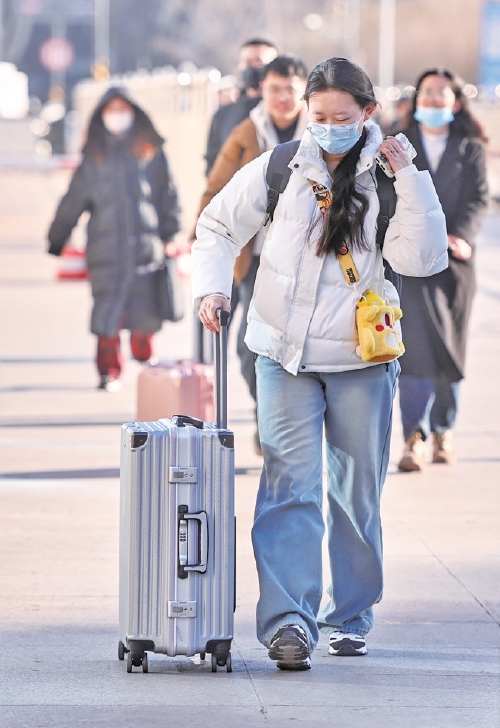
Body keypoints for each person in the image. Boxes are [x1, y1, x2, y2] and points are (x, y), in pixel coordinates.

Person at [191, 57, 448, 670]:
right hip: (282, 354)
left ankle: (351, 615)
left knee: (357, 492)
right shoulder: (281, 166)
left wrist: (411, 177)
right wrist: (213, 288)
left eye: (343, 116)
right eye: (320, 115)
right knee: (288, 485)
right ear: (307, 111)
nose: (329, 126)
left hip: (361, 359)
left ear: (368, 113)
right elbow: (218, 223)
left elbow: (423, 258)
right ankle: (288, 622)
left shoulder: (390, 176)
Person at [196, 54, 309, 454]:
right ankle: (268, 415)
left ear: (303, 93)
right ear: (262, 89)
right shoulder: (246, 132)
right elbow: (215, 192)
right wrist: (206, 249)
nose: (282, 97)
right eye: (274, 89)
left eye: (290, 90)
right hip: (255, 260)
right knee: (249, 345)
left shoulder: (321, 131)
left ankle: (290, 425)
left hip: (308, 261)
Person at [47, 87, 180, 392]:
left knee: (145, 310)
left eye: (123, 109)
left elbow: (168, 196)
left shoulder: (151, 151)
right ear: (101, 116)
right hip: (105, 249)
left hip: (146, 247)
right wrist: (58, 237)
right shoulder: (94, 155)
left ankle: (147, 365)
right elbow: (74, 199)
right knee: (107, 313)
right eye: (111, 110)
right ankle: (109, 371)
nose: (117, 116)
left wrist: (170, 235)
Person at [396, 69, 489, 472]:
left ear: (456, 101)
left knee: (450, 347)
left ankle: (443, 431)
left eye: (442, 94)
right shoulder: (398, 145)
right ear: (416, 100)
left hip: (455, 263)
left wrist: (461, 236)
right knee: (413, 349)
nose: (434, 100)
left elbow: (479, 198)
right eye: (427, 93)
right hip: (411, 261)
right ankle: (413, 435)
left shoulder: (470, 148)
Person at [204, 39, 278, 176]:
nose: (253, 67)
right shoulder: (223, 115)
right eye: (248, 62)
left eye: (259, 62)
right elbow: (212, 162)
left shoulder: (285, 112)